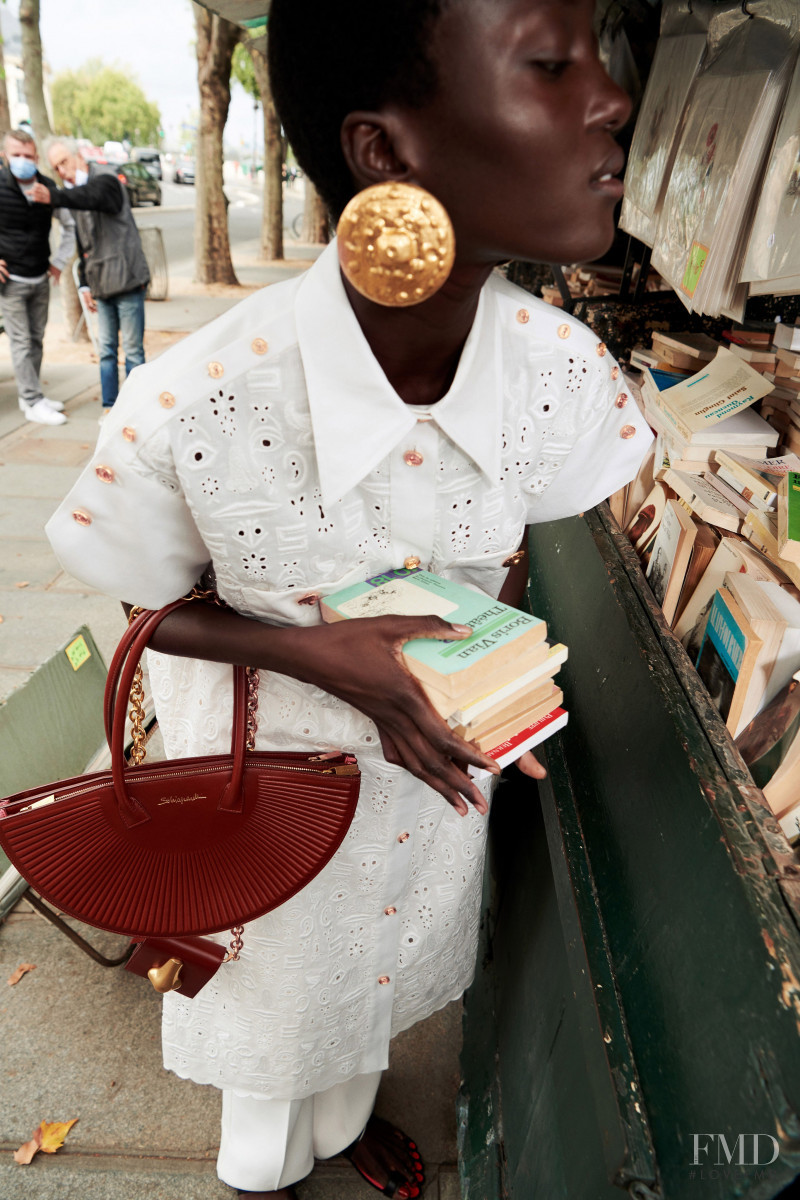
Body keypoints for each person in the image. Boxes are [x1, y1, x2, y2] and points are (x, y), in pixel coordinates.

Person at [46, 1, 654, 1197]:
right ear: (383, 150)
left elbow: (520, 545)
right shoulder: (198, 401)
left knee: (378, 994)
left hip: (432, 773)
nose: (610, 99)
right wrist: (329, 660)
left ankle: (343, 1124)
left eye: (599, 56)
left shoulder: (565, 376)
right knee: (269, 1061)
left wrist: (491, 671)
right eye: (547, 63)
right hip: (257, 789)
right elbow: (146, 612)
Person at [31, 139, 150, 420]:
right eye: (56, 166)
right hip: (101, 285)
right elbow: (84, 248)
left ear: (79, 157)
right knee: (106, 351)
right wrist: (84, 283)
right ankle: (110, 407)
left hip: (128, 280)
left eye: (64, 162)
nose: (61, 170)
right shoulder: (75, 195)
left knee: (133, 351)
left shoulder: (105, 182)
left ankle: (136, 411)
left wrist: (55, 196)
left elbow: (93, 196)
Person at [0, 128, 76, 426]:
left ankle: (30, 395)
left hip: (40, 278)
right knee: (20, 342)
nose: (22, 161)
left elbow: (69, 226)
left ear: (36, 157)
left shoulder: (46, 187)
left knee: (36, 340)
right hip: (11, 282)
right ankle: (32, 402)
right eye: (16, 155)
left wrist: (58, 263)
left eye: (28, 156)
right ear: (4, 155)